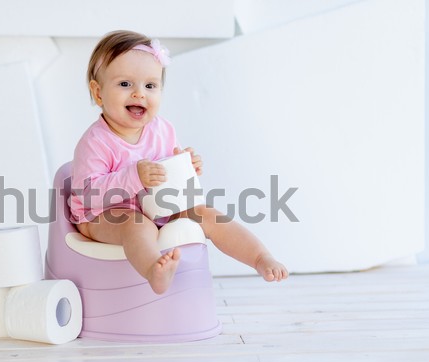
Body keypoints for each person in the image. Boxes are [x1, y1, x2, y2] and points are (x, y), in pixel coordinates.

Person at [69, 30, 288, 294]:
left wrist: (186, 167)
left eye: (150, 86)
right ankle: (154, 269)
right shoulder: (95, 142)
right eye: (125, 84)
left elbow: (168, 171)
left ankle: (259, 257)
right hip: (102, 216)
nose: (139, 94)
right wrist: (134, 176)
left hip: (157, 208)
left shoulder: (162, 129)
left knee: (205, 213)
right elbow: (89, 195)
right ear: (99, 92)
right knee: (136, 223)